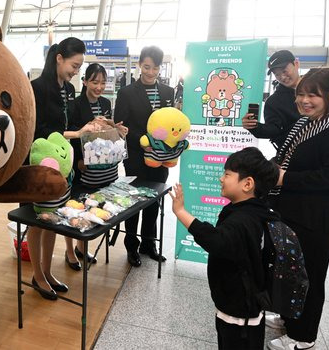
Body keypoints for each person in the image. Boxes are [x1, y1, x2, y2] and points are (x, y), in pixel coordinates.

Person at [267, 68, 329, 350]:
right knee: (289, 270)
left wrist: (285, 178)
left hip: (316, 218)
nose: (304, 100)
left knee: (310, 277)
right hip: (292, 209)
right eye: (301, 94)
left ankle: (303, 336)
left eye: (312, 95)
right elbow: (286, 156)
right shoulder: (306, 122)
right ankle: (287, 317)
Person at [169, 147, 280, 350]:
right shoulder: (255, 210)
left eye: (227, 174)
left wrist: (180, 211)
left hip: (239, 310)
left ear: (247, 184)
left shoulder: (243, 220)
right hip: (245, 301)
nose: (221, 179)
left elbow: (216, 241)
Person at [28, 37, 95, 299]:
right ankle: (37, 274)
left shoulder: (66, 88)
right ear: (59, 58)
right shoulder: (38, 88)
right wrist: (76, 133)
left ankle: (46, 271)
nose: (76, 71)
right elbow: (39, 131)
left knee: (52, 220)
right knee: (37, 222)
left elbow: (67, 121)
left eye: (79, 67)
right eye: (74, 65)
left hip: (63, 165)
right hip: (42, 165)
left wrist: (86, 127)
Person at [113, 45, 174, 267]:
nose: (150, 72)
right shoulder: (127, 93)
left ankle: (149, 242)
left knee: (154, 200)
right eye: (147, 67)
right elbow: (121, 125)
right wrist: (144, 142)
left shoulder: (168, 92)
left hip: (162, 157)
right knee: (134, 200)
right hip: (137, 156)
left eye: (155, 68)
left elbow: (172, 123)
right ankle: (132, 245)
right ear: (140, 65)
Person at [64, 63, 128, 270]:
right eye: (94, 82)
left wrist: (115, 128)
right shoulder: (75, 105)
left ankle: (82, 248)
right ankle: (70, 252)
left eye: (103, 82)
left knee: (94, 208)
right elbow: (71, 135)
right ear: (84, 82)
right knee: (77, 209)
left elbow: (107, 134)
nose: (99, 86)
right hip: (84, 168)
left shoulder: (106, 103)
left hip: (105, 168)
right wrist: (77, 162)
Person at [242, 50, 301, 149]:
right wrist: (254, 126)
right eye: (277, 74)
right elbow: (274, 129)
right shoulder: (273, 102)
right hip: (294, 155)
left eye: (284, 71)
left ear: (296, 64)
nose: (282, 77)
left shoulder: (317, 88)